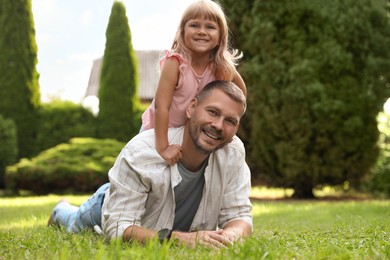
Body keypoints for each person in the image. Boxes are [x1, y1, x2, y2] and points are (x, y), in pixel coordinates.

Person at [48, 80, 252, 249]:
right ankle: (60, 210)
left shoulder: (232, 152)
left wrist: (231, 236)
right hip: (107, 204)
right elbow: (118, 227)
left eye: (230, 121)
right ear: (191, 108)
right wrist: (182, 239)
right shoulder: (142, 151)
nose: (218, 125)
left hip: (144, 205)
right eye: (213, 112)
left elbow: (240, 215)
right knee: (74, 221)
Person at [141, 0, 247, 166]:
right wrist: (163, 147)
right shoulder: (175, 63)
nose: (202, 32)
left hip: (191, 133)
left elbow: (240, 94)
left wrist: (229, 127)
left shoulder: (221, 67)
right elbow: (161, 106)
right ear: (183, 31)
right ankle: (105, 191)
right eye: (195, 25)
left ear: (220, 37)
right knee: (145, 169)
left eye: (210, 27)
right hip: (159, 131)